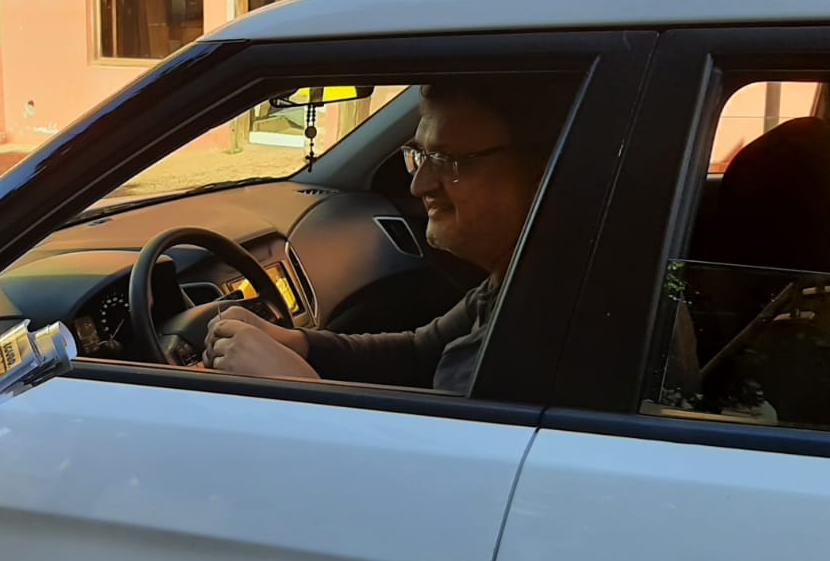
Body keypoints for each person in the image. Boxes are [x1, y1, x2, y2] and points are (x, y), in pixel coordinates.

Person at [205, 79, 569, 393]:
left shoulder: (552, 326)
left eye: (447, 160)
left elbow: (437, 469)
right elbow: (418, 352)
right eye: (421, 155)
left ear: (542, 174)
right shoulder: (517, 278)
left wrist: (296, 388)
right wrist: (296, 341)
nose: (418, 184)